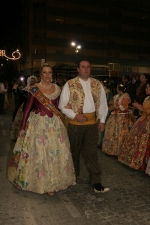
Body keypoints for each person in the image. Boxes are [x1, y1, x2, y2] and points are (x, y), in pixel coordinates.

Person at [7, 63, 76, 196]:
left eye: (50, 72)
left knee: (54, 153)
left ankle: (54, 182)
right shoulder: (34, 89)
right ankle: (40, 181)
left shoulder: (57, 88)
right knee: (39, 152)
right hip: (38, 124)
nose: (47, 75)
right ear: (41, 74)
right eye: (45, 72)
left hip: (55, 125)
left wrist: (68, 107)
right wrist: (22, 127)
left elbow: (60, 106)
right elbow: (27, 109)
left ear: (52, 74)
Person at [59, 59, 110, 193]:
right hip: (75, 125)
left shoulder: (97, 84)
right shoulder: (70, 84)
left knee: (91, 153)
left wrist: (102, 120)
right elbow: (62, 105)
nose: (86, 69)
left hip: (92, 124)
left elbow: (103, 104)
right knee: (73, 152)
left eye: (88, 67)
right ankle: (72, 177)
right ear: (78, 69)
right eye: (83, 67)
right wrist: (75, 115)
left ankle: (96, 182)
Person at [118, 80, 150, 174]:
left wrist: (141, 108)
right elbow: (143, 112)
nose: (146, 89)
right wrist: (140, 108)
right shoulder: (147, 99)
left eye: (148, 87)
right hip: (143, 120)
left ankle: (142, 163)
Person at [102, 84, 135, 156]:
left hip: (122, 116)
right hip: (115, 115)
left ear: (120, 89)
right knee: (111, 130)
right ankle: (111, 149)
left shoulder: (126, 96)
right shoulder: (117, 96)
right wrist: (112, 107)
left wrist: (114, 107)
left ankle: (119, 150)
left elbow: (124, 107)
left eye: (117, 88)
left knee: (120, 132)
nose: (116, 89)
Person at [10, 75, 37, 141]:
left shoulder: (36, 89)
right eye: (31, 81)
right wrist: (14, 90)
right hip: (25, 107)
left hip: (34, 109)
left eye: (34, 81)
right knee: (22, 121)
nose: (32, 82)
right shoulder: (26, 89)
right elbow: (19, 96)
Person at [98, 80, 112, 148]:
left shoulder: (107, 92)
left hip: (104, 110)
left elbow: (105, 102)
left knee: (103, 124)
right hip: (99, 109)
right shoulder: (102, 91)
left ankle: (101, 142)